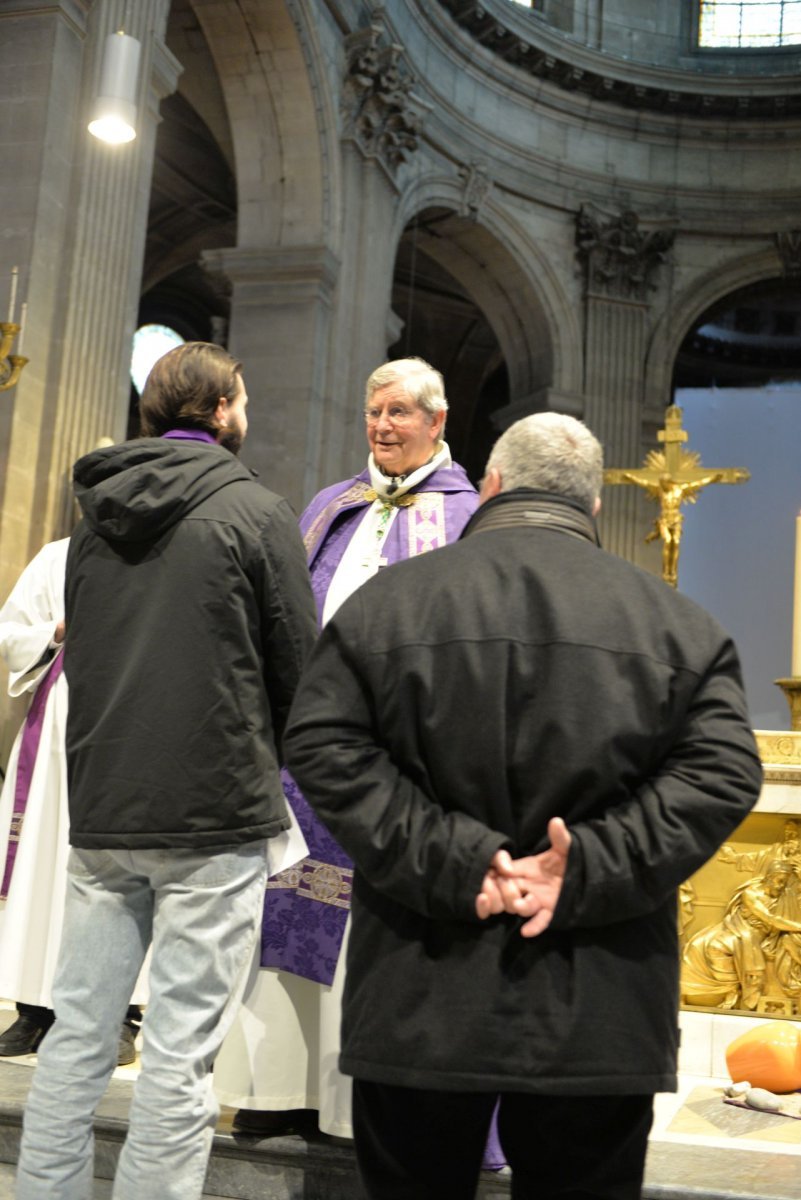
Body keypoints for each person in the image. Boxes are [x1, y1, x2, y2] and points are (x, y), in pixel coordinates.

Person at [282, 411, 764, 1200]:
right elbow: (721, 772)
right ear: (594, 507)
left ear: (492, 487)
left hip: (420, 990)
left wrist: (453, 858)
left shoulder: (386, 607)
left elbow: (320, 745)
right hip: (597, 1003)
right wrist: (584, 868)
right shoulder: (681, 627)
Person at [15, 341, 318, 1200]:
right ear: (221, 411)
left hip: (106, 810)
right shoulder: (256, 513)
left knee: (76, 1037)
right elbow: (301, 668)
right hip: (212, 813)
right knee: (180, 1056)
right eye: (245, 396)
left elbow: (89, 660)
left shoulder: (92, 522)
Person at [213, 357, 480, 1146]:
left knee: (363, 925)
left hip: (397, 759)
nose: (381, 427)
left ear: (437, 421)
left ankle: (346, 1101)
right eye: (372, 412)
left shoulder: (464, 516)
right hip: (303, 749)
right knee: (283, 910)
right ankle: (278, 1089)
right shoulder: (332, 504)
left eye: (398, 412)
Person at [0, 539, 146, 1065]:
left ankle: (121, 1013)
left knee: (121, 872)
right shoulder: (59, 554)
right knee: (42, 863)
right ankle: (33, 1008)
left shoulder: (174, 552)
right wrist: (57, 631)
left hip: (135, 725)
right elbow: (10, 629)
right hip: (58, 729)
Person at [681, 860, 801, 1010]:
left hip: (757, 933)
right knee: (697, 944)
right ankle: (688, 990)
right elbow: (770, 919)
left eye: (785, 882)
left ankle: (731, 990)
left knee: (717, 946)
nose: (781, 885)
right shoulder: (750, 893)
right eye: (779, 881)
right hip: (738, 926)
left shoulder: (786, 895)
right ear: (769, 877)